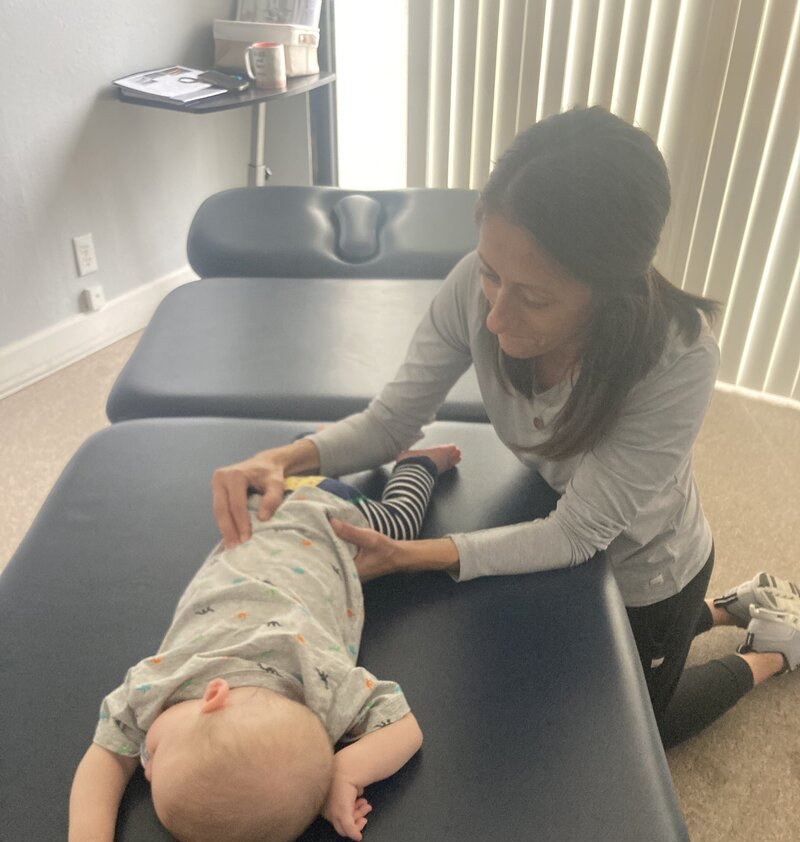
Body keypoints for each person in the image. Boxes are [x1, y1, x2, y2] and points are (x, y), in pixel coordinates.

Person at [210, 105, 800, 749]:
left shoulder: (679, 358)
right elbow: (392, 422)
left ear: (610, 292)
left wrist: (411, 557)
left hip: (649, 567)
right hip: (560, 530)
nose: (494, 317)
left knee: (641, 731)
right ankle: (729, 607)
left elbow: (578, 533)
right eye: (492, 273)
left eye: (535, 297)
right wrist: (285, 458)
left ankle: (773, 648)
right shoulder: (476, 287)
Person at [21, 444, 460, 842]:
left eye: (150, 761)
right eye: (154, 755)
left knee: (386, 515)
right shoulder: (310, 679)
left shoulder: (192, 684)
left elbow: (109, 754)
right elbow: (108, 756)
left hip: (301, 523)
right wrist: (339, 774)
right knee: (372, 506)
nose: (140, 761)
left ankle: (401, 462)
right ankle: (386, 459)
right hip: (299, 519)